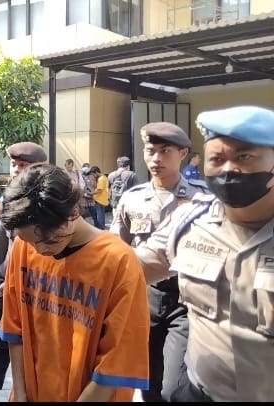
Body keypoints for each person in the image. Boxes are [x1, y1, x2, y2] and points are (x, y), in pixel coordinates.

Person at [136, 105, 274, 402]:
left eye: (244, 157)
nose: (228, 169)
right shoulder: (190, 222)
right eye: (216, 159)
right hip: (200, 393)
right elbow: (128, 267)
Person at [0, 164, 150, 401]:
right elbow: (14, 328)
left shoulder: (118, 261)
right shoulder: (23, 247)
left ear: (73, 212)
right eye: (30, 241)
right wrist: (20, 392)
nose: (40, 250)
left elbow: (118, 359)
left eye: (49, 240)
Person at [109, 122, 208, 402]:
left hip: (185, 299)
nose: (156, 159)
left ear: (183, 153)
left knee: (173, 387)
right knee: (148, 384)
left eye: (165, 151)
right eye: (151, 151)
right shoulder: (132, 199)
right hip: (144, 299)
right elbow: (117, 249)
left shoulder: (202, 198)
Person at [0, 141, 48, 402]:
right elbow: (4, 244)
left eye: (23, 165)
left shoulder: (48, 200)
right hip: (8, 280)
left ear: (39, 168)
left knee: (35, 342)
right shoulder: (8, 198)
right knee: (0, 338)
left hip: (39, 284)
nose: (16, 170)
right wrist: (3, 276)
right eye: (14, 164)